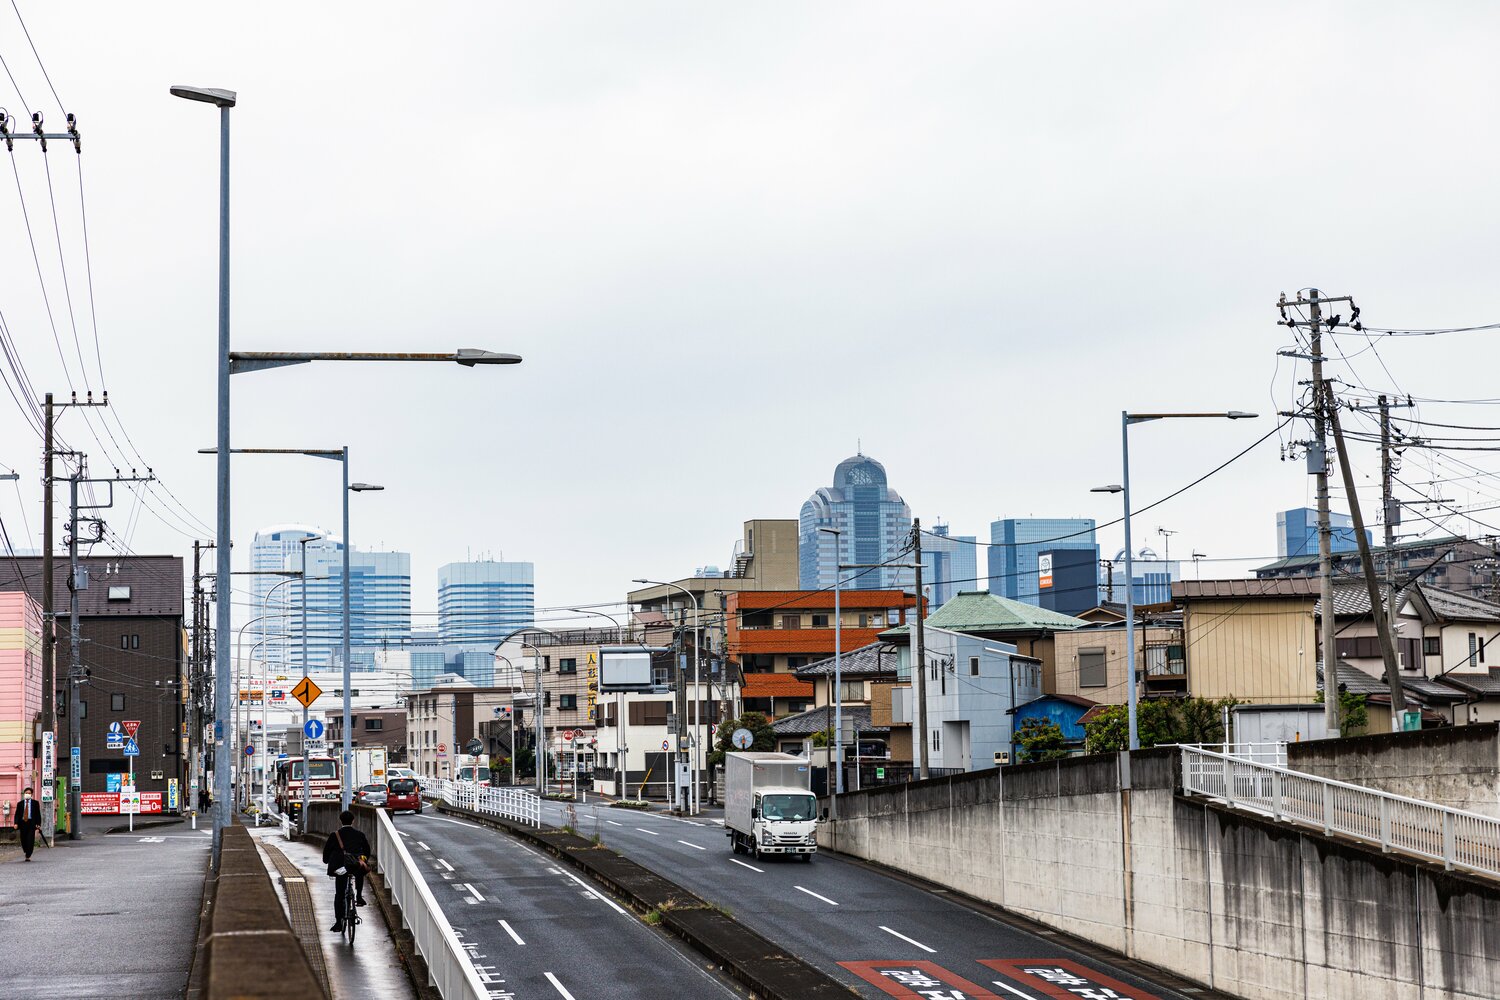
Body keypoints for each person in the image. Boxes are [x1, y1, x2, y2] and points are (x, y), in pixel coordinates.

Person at [321, 810, 371, 932]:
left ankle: (338, 922)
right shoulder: (359, 834)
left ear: (341, 821)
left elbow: (326, 854)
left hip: (340, 867)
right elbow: (367, 851)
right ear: (353, 821)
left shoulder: (335, 835)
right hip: (354, 866)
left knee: (339, 894)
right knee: (359, 870)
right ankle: (358, 896)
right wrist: (362, 858)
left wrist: (327, 861)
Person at [15, 787, 42, 861]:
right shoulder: (20, 804)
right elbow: (17, 814)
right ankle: (26, 850)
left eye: (29, 793)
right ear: (24, 794)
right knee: (23, 839)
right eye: (26, 793)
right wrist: (16, 823)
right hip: (22, 823)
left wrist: (38, 824)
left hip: (31, 823)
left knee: (30, 839)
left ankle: (28, 854)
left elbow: (37, 814)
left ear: (32, 794)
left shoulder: (35, 803)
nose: (27, 794)